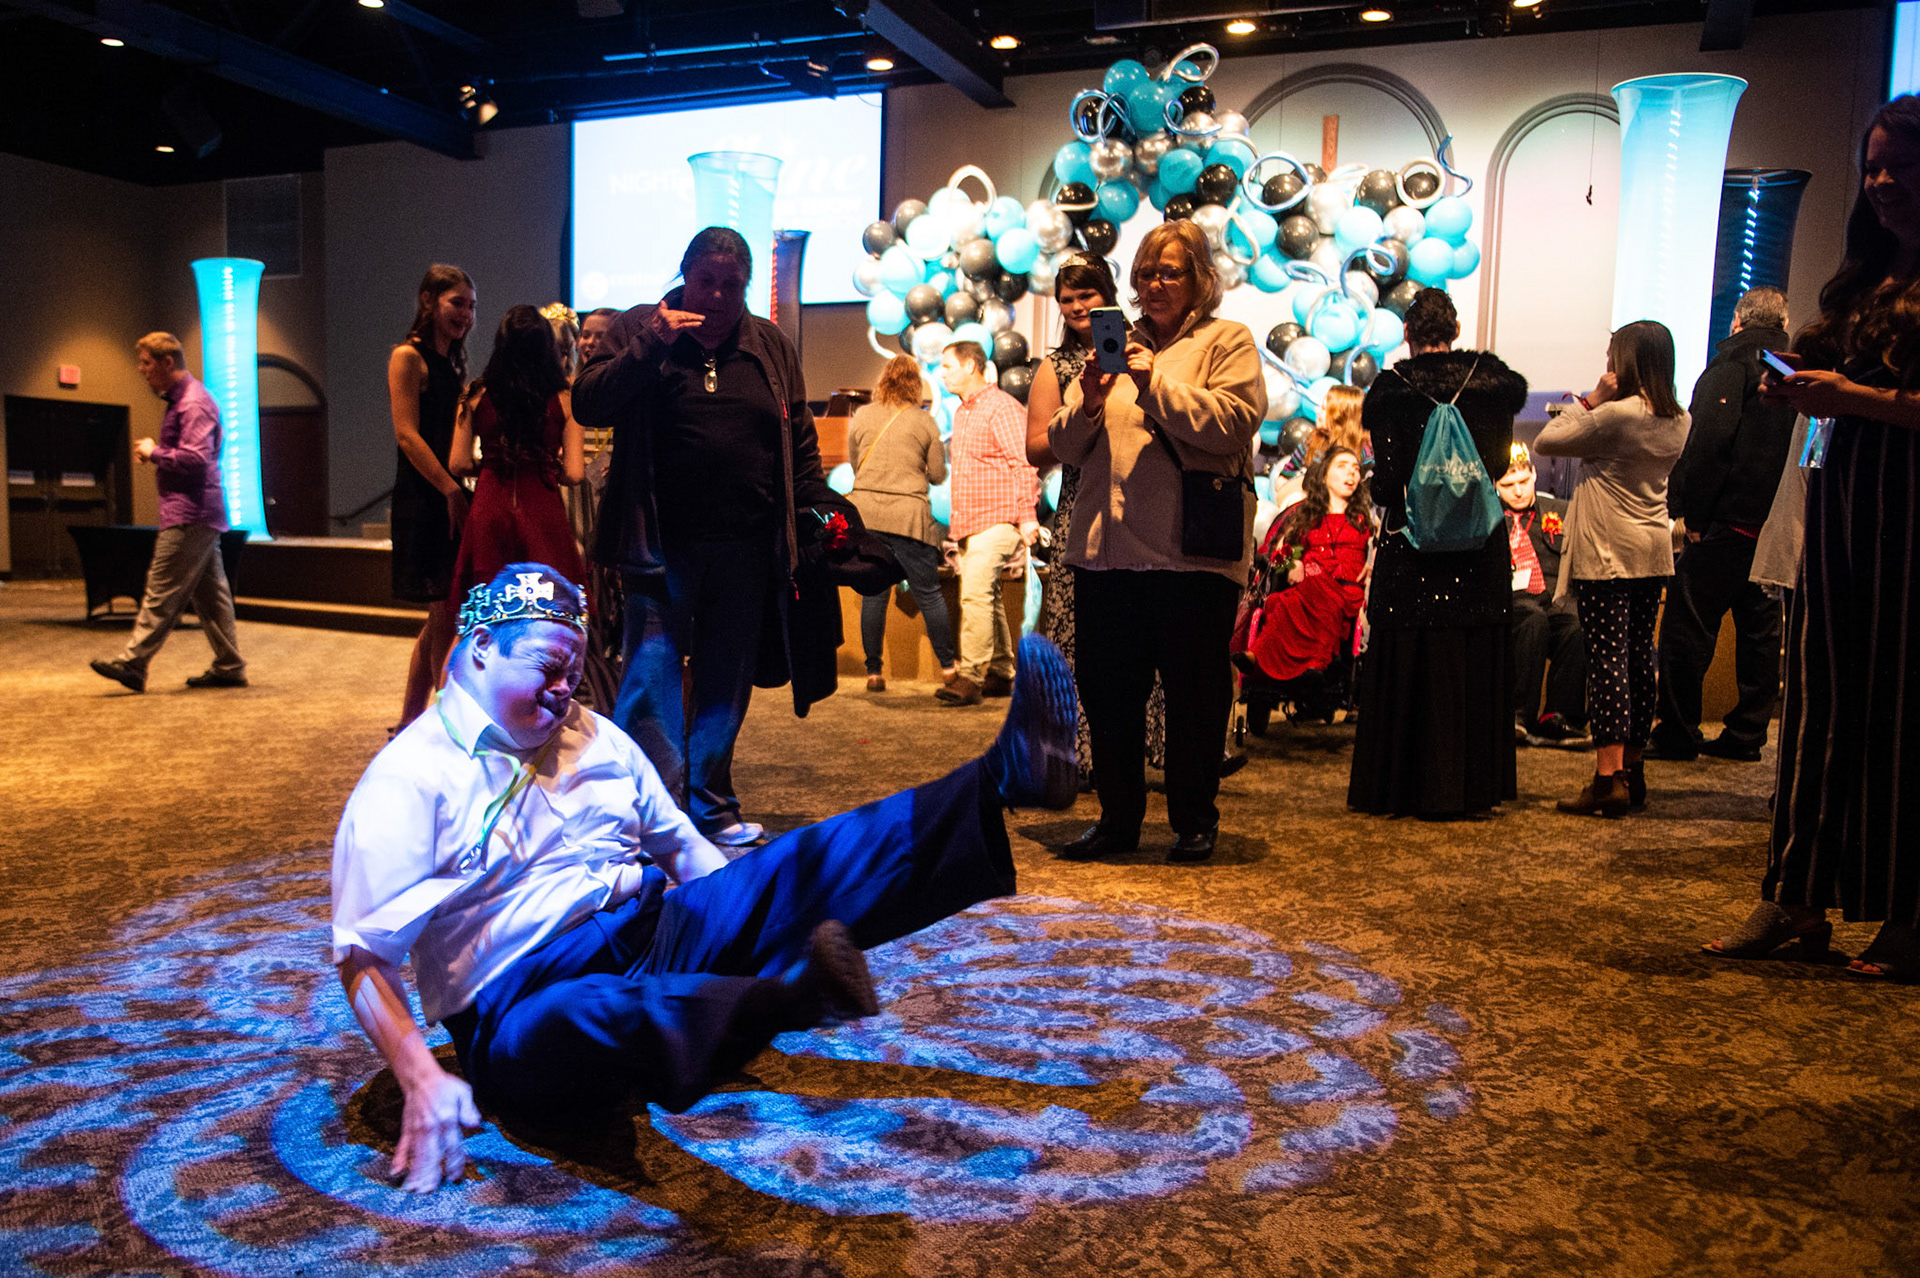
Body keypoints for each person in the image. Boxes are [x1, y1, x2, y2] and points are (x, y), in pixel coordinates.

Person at [330, 563, 1079, 1191]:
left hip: (652, 926)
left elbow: (684, 850)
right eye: (548, 669)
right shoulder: (408, 779)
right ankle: (775, 1000)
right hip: (519, 997)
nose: (567, 689)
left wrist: (750, 907)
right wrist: (420, 1074)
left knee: (799, 862)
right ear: (482, 647)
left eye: (575, 668)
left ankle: (1001, 779)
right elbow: (364, 957)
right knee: (586, 1015)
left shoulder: (593, 735)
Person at [1707, 95, 1920, 978]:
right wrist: (1801, 394)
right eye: (1871, 164)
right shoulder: (1862, 278)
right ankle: (1794, 896)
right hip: (1836, 513)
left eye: (1898, 164)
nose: (1878, 180)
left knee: (1901, 716)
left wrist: (1853, 400)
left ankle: (1907, 914)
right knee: (1820, 712)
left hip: (1909, 523)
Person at [572, 227, 855, 847]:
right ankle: (648, 817)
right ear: (684, 275)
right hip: (660, 547)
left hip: (748, 549)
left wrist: (822, 513)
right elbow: (588, 403)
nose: (721, 295)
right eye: (708, 281)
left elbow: (798, 445)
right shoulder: (639, 329)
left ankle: (710, 807)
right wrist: (652, 344)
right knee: (651, 678)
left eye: (733, 284)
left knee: (726, 681)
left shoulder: (770, 347)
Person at [1051, 219, 1266, 863]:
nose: (1155, 284)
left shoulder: (1227, 341)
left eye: (1170, 271)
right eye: (1146, 273)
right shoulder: (1113, 349)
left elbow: (1232, 424)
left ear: (1201, 279)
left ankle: (1194, 820)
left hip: (1190, 558)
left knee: (1195, 696)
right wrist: (1089, 398)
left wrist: (1154, 384)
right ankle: (1118, 820)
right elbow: (1063, 446)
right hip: (1107, 555)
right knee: (1108, 694)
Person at [1348, 289, 1527, 818]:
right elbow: (1494, 465)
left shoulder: (1391, 389)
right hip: (1478, 540)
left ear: (1407, 334)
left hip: (1414, 542)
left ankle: (1405, 786)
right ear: (1454, 329)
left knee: (1411, 655)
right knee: (1471, 657)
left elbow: (1387, 484)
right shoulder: (1493, 385)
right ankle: (1469, 787)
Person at [1533, 321, 1690, 817]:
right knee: (1641, 657)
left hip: (1607, 554)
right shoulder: (1680, 418)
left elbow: (1547, 439)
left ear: (1626, 362)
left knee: (1608, 662)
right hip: (1652, 550)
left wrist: (1592, 398)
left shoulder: (1616, 417)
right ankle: (1634, 770)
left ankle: (1608, 778)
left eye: (1610, 355)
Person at [1024, 254, 1164, 788]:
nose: (1079, 306)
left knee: (1149, 636)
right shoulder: (1054, 367)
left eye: (1088, 294)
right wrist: (1083, 413)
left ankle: (1160, 750)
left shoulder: (1144, 350)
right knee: (1076, 639)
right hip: (1082, 511)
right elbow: (1036, 449)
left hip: (1146, 505)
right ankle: (1078, 756)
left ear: (1109, 292)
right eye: (1068, 297)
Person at [1647, 286, 1796, 763]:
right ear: (1783, 323)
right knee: (1760, 633)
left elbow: (1708, 444)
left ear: (1737, 321)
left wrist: (1691, 513)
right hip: (1770, 523)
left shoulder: (1731, 364)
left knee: (1687, 629)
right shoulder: (1795, 371)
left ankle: (1678, 732)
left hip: (1724, 524)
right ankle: (1748, 734)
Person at [89, 332, 247, 694]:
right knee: (211, 596)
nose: (141, 370)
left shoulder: (193, 403)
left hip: (191, 513)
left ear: (167, 363)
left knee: (161, 590)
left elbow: (196, 458)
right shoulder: (182, 400)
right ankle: (230, 665)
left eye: (146, 363)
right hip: (196, 512)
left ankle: (133, 663)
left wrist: (155, 451)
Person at [446, 305, 587, 603]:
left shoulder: (474, 394)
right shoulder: (565, 398)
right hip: (541, 506)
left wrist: (491, 464)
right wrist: (546, 466)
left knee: (485, 609)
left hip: (490, 505)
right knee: (546, 608)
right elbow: (574, 474)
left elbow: (458, 464)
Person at [389, 264, 476, 728]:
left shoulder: (452, 363)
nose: (466, 313)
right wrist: (449, 488)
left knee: (441, 613)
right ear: (429, 302)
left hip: (447, 493)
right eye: (456, 302)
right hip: (424, 498)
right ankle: (445, 724)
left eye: (470, 305)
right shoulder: (408, 356)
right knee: (444, 610)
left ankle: (409, 723)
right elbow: (406, 435)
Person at [940, 339, 1040, 707]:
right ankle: (1000, 671)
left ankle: (971, 676)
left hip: (998, 518)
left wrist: (1028, 518)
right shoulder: (963, 412)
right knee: (986, 594)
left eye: (948, 366)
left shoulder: (1002, 408)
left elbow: (1023, 463)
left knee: (975, 593)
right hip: (972, 520)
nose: (943, 373)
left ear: (970, 366)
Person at [1234, 446, 1372, 714]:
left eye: (1356, 468)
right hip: (1310, 589)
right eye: (1342, 466)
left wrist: (1369, 566)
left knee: (1305, 594)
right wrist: (1293, 562)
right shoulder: (1304, 516)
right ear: (1324, 475)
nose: (1351, 473)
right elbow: (1278, 555)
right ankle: (1257, 658)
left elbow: (1375, 553)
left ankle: (1310, 663)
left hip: (1346, 592)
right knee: (1277, 601)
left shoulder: (1363, 518)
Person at [847, 354, 955, 691]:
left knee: (874, 595)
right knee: (929, 595)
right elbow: (938, 476)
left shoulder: (862, 415)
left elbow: (855, 466)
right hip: (908, 518)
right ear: (915, 385)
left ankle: (873, 673)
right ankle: (949, 670)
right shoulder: (924, 422)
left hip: (866, 517)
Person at [1498, 442, 1587, 746]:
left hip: (1555, 598)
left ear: (1534, 474)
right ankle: (1519, 715)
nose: (1519, 491)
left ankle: (1561, 717)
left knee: (1575, 624)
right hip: (1512, 602)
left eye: (1523, 482)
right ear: (1495, 485)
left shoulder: (1561, 512)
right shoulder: (1488, 518)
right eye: (1508, 485)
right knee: (1533, 620)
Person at [1274, 383, 1373, 489]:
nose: (1317, 411)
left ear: (1340, 417)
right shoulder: (1311, 442)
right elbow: (1283, 478)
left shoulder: (1365, 455)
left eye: (1324, 408)